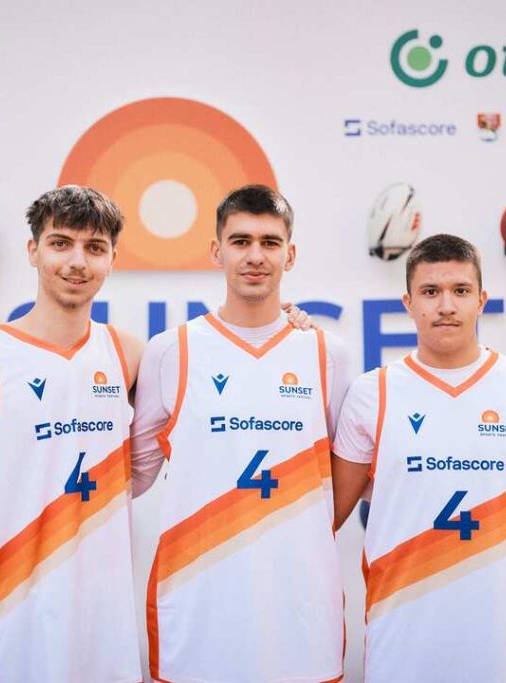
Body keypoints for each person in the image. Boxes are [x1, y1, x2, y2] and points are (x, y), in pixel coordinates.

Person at [331, 234, 506, 683]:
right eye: (430, 292)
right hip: (401, 648)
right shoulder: (373, 393)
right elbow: (320, 520)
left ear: (481, 300)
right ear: (408, 303)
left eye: (461, 290)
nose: (446, 306)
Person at [0, 185, 144, 683]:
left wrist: (293, 324)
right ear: (32, 250)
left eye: (95, 248)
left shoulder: (128, 355)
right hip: (4, 630)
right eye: (60, 243)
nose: (77, 262)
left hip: (105, 638)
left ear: (112, 259)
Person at [130, 185, 351, 683]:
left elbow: (345, 478)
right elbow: (133, 476)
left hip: (299, 610)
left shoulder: (327, 353)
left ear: (290, 255)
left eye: (270, 243)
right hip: (197, 605)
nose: (255, 256)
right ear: (216, 251)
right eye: (240, 241)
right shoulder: (170, 351)